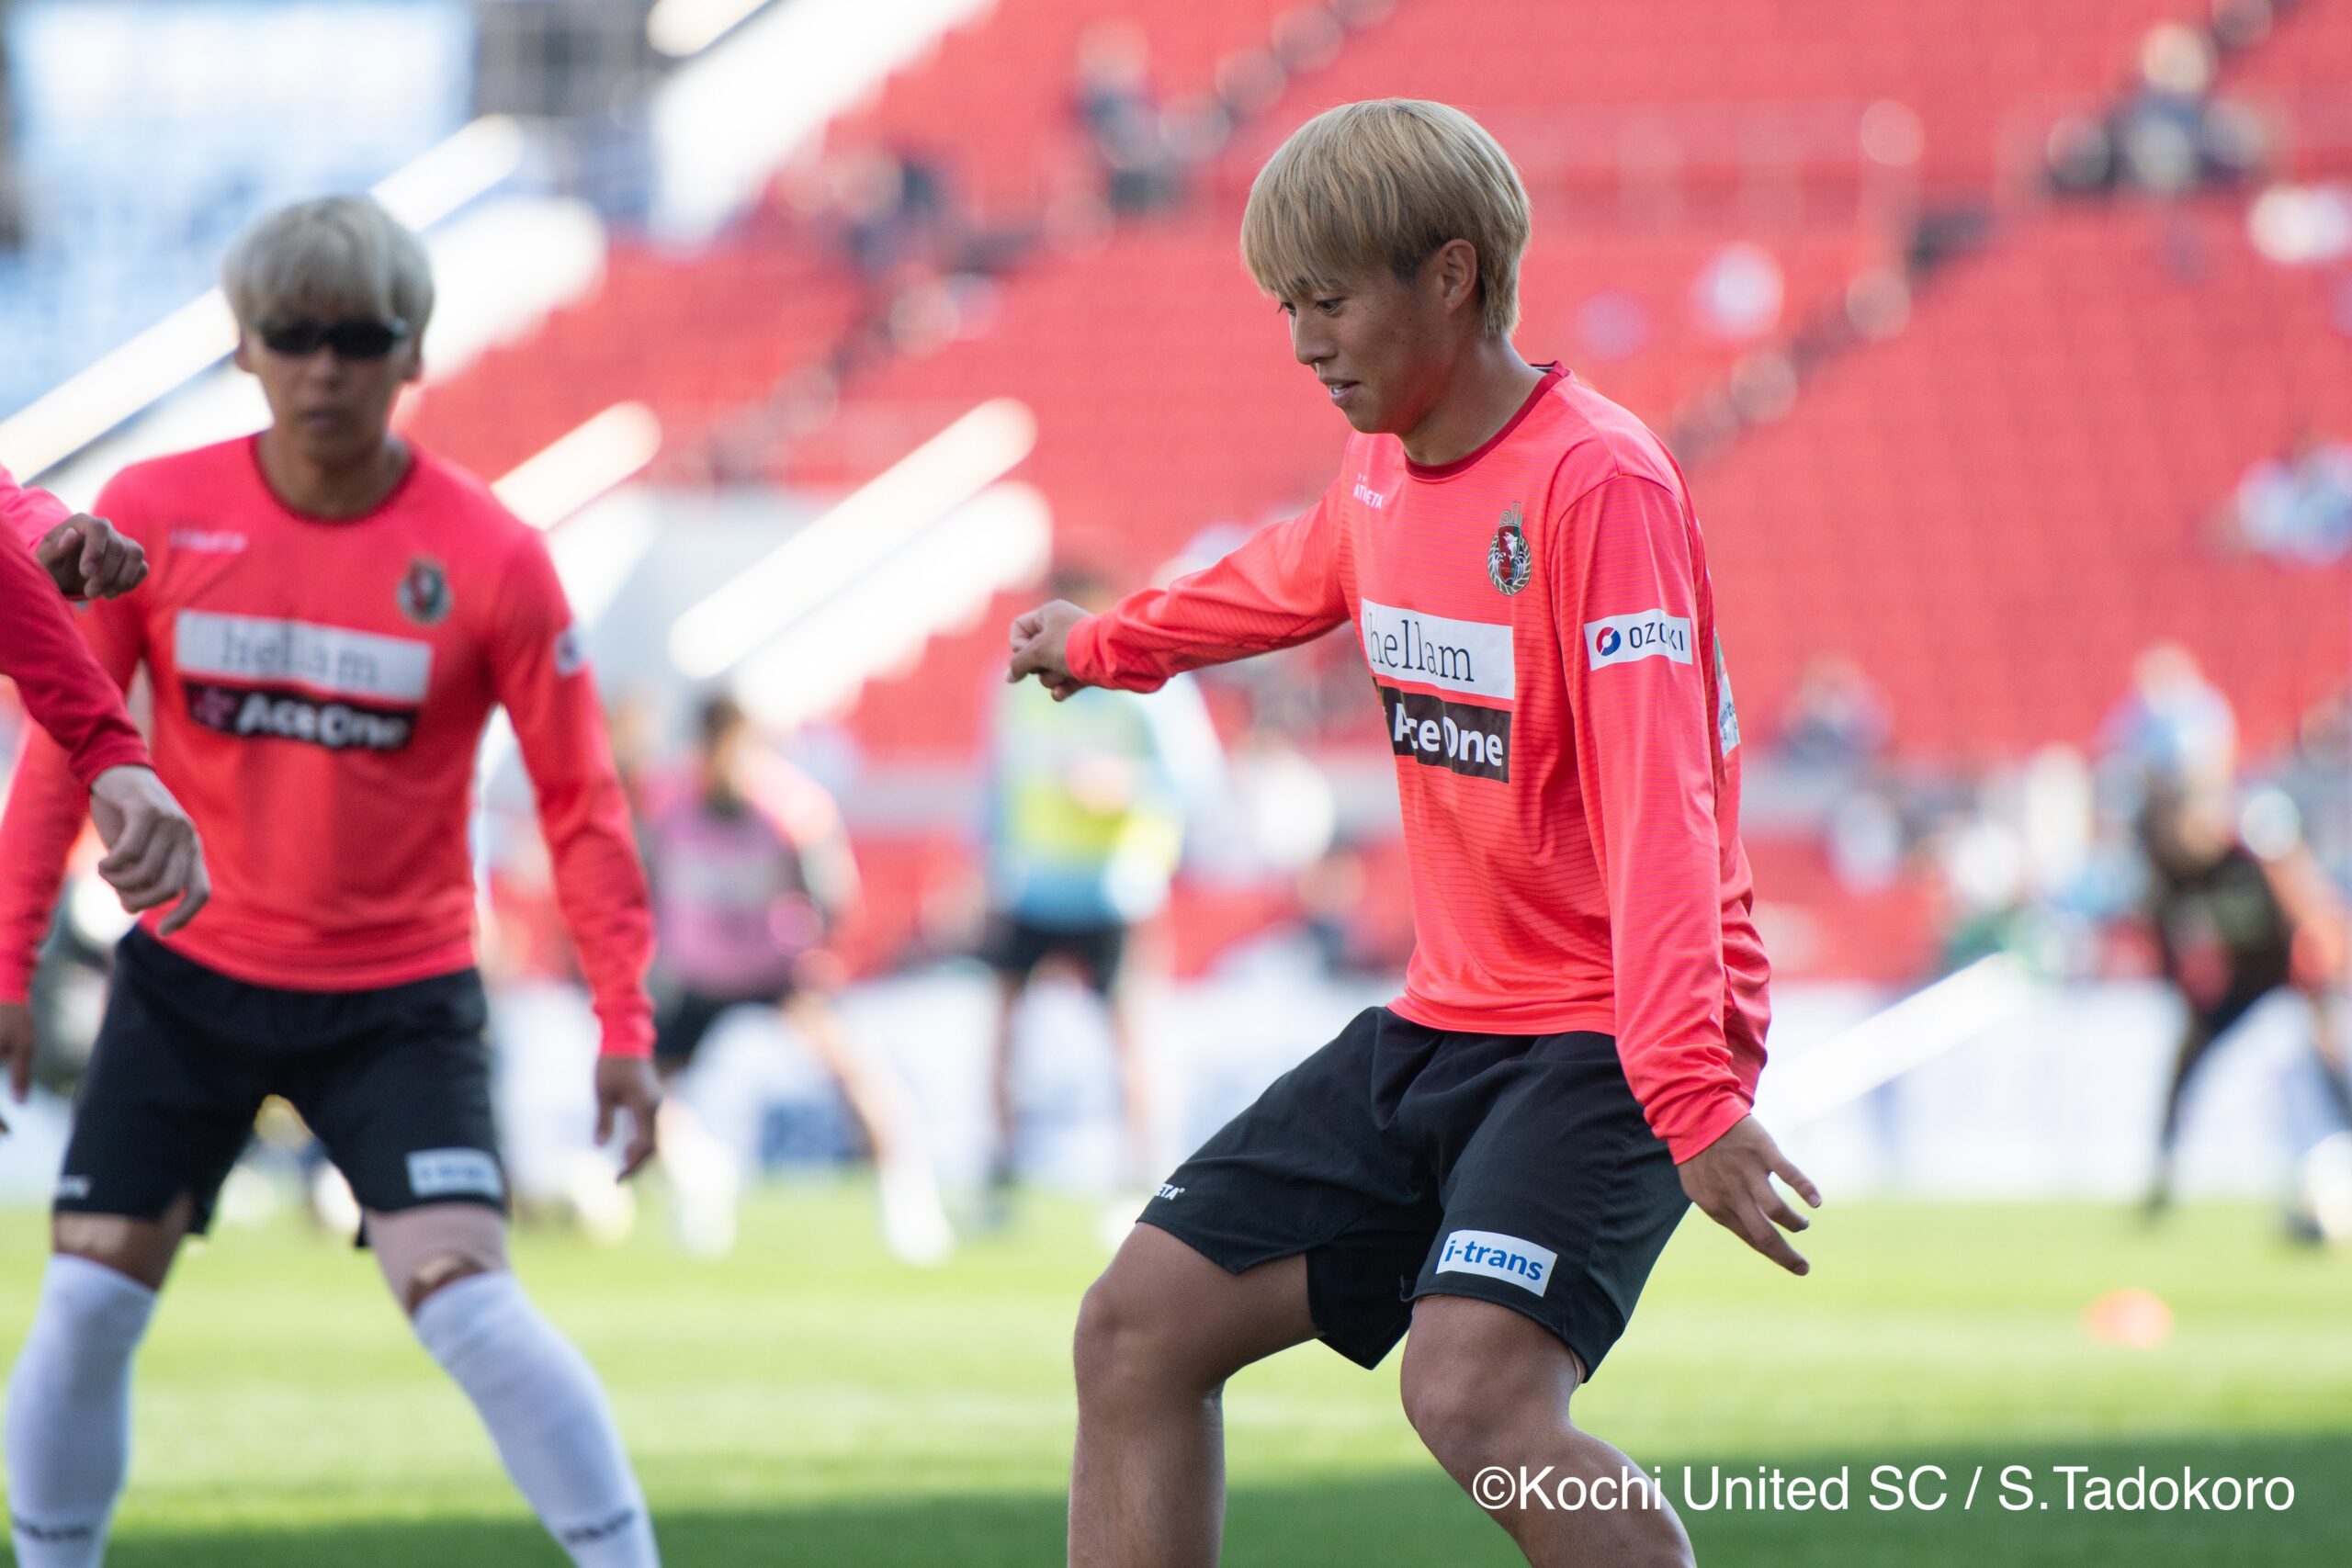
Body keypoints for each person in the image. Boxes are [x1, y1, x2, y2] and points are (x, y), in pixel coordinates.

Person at [1007, 101, 1816, 1567]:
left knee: (1476, 1393)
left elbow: (1665, 813)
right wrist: (1105, 643)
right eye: (1287, 307)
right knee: (1135, 1327)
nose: (1303, 341)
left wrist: (1690, 1090)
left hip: (1613, 1032)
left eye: (1328, 301)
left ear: (1451, 275)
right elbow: (1288, 574)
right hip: (1451, 1018)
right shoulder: (1384, 463)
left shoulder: (1599, 482)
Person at [0, 195, 663, 1568]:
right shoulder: (152, 514)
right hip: (188, 983)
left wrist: (625, 1018)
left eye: (358, 337)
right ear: (244, 345)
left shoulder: (492, 555)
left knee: (470, 1305)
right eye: (292, 335)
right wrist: (7, 963)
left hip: (398, 1001)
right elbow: (73, 745)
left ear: (412, 352)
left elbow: (582, 804)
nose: (324, 367)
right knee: (84, 1304)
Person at [640, 694, 950, 1264]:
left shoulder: (790, 807)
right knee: (643, 1091)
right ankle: (700, 1179)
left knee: (855, 1074)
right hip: (699, 975)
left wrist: (818, 949)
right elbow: (646, 880)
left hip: (777, 969)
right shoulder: (669, 805)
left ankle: (907, 1199)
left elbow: (833, 895)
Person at [979, 567, 1216, 1223]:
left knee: (1130, 1039)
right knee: (1004, 1036)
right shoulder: (1014, 682)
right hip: (1029, 886)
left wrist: (1123, 783)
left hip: (1117, 891)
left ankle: (1141, 1181)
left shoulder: (1151, 685)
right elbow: (996, 781)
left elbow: (1198, 784)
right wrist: (987, 866)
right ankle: (999, 1174)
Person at [2138, 785, 2352, 1217]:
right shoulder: (2178, 876)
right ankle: (2163, 1174)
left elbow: (2303, 918)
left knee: (2327, 1067)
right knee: (2187, 1063)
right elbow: (2166, 935)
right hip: (2241, 983)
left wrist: (2316, 994)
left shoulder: (2251, 861)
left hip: (2288, 973)